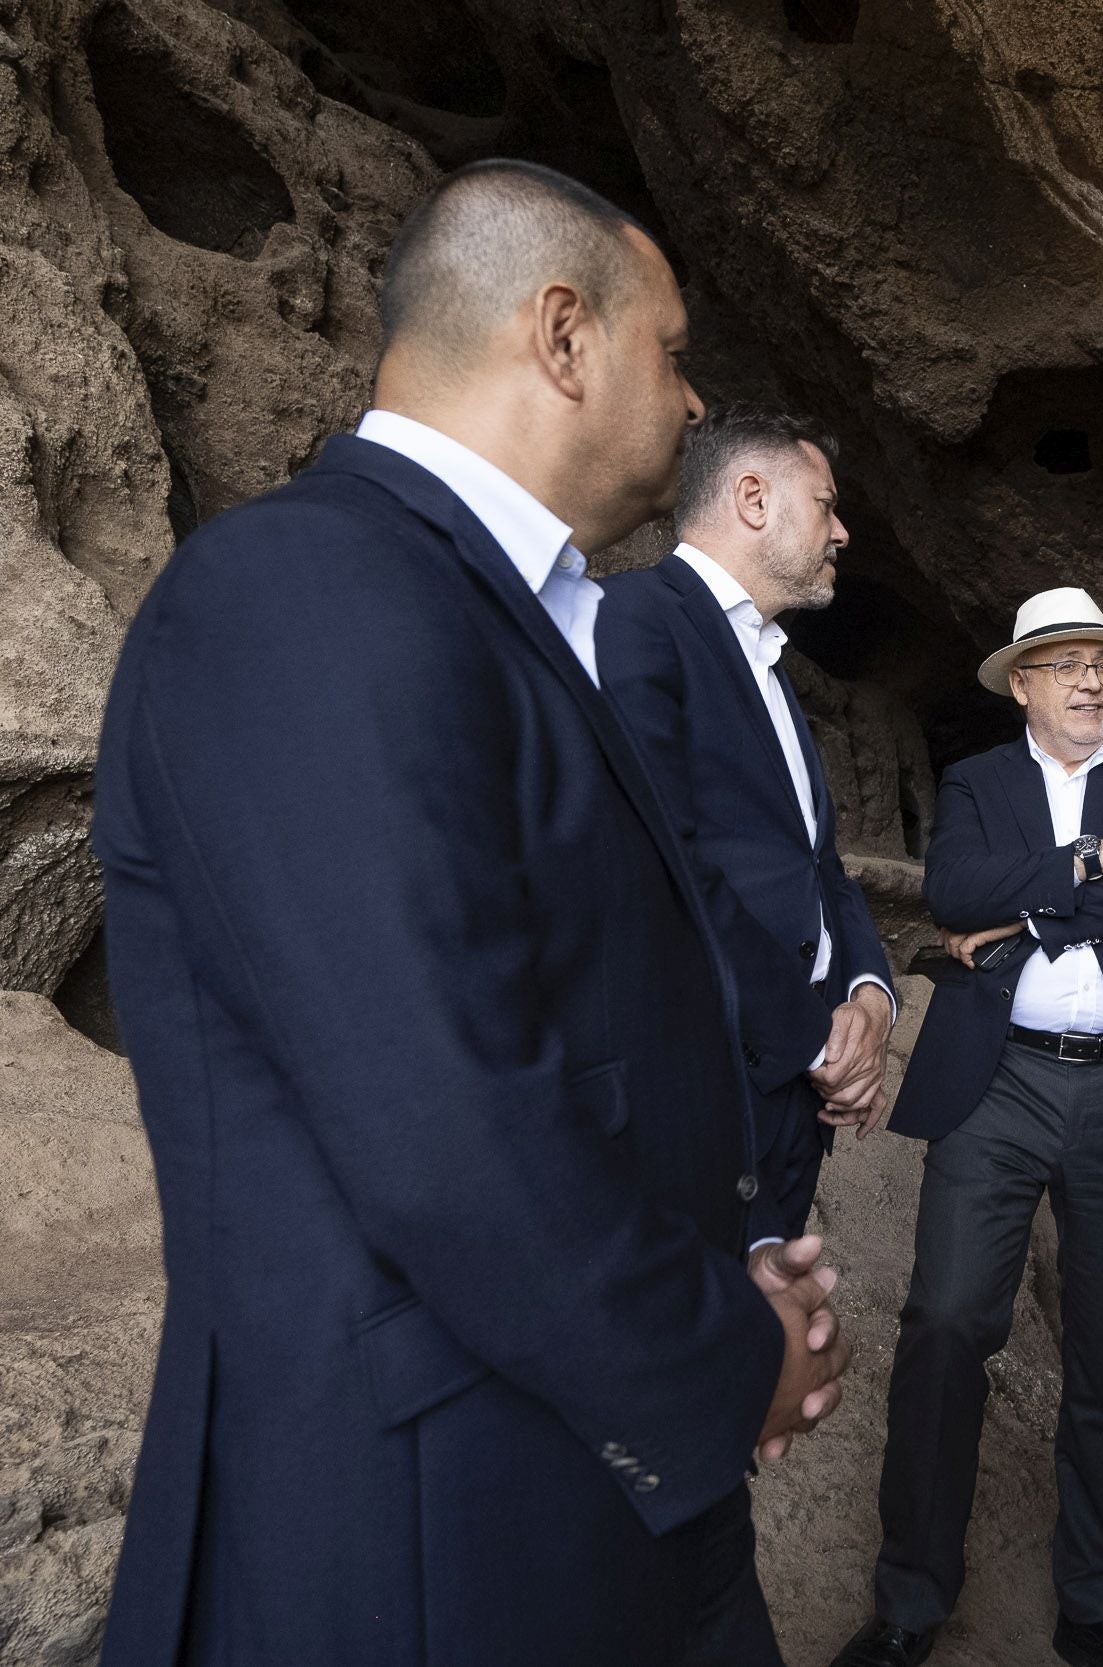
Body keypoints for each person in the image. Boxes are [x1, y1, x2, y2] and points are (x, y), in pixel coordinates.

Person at [91, 160, 847, 1667]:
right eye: (673, 348)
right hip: (440, 1532)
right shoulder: (300, 589)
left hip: (591, 1471)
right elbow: (447, 1126)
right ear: (562, 336)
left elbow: (580, 1036)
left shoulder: (500, 616)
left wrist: (720, 1275)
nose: (695, 403)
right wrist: (720, 1353)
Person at [831, 588, 1103, 1667]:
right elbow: (953, 888)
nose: (1094, 680)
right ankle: (908, 1601)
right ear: (1023, 684)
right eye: (1067, 663)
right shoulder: (977, 780)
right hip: (996, 1083)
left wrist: (1017, 916)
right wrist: (1097, 861)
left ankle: (1096, 1605)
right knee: (947, 1321)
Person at [596, 406, 897, 1261]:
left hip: (788, 1111)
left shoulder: (773, 674)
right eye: (827, 504)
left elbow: (822, 869)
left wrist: (871, 999)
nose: (841, 531)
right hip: (698, 1093)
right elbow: (665, 867)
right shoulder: (636, 621)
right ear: (755, 498)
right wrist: (814, 1040)